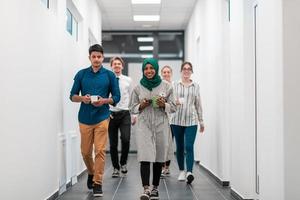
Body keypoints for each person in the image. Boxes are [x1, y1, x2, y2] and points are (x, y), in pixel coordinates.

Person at [69, 44, 120, 197]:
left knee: (99, 151)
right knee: (85, 152)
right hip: (84, 118)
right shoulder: (81, 74)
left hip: (102, 117)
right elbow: (72, 95)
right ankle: (91, 172)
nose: (96, 59)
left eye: (99, 57)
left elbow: (116, 97)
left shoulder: (110, 76)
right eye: (94, 56)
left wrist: (104, 101)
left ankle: (98, 183)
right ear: (90, 57)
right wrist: (82, 99)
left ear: (102, 58)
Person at [129, 58, 176, 200]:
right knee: (144, 155)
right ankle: (146, 189)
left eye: (151, 68)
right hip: (144, 124)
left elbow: (173, 107)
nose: (149, 71)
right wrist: (141, 106)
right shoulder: (138, 88)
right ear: (143, 70)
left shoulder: (167, 86)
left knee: (159, 155)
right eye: (146, 69)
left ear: (156, 69)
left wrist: (164, 105)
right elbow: (132, 108)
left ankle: (155, 187)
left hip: (161, 123)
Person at [170, 61, 205, 184]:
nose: (186, 71)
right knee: (179, 147)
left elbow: (198, 104)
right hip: (176, 120)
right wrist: (175, 102)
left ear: (191, 71)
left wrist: (201, 121)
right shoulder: (174, 85)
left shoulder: (196, 86)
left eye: (189, 69)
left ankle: (189, 172)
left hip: (191, 120)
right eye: (184, 69)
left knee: (189, 146)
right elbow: (169, 101)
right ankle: (181, 171)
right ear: (181, 71)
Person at [108, 56, 136, 178]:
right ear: (111, 66)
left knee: (126, 139)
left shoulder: (128, 80)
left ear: (122, 66)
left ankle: (123, 163)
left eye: (119, 64)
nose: (117, 66)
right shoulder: (107, 79)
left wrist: (134, 114)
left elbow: (132, 97)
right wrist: (106, 112)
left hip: (125, 113)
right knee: (113, 144)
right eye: (115, 64)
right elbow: (104, 95)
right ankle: (115, 167)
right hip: (111, 114)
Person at [160, 65, 174, 178]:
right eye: (164, 72)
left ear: (171, 73)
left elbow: (175, 103)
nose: (166, 74)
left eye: (168, 72)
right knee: (162, 144)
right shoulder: (159, 87)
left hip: (174, 119)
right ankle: (161, 167)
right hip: (162, 119)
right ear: (161, 74)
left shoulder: (174, 86)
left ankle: (167, 167)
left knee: (169, 145)